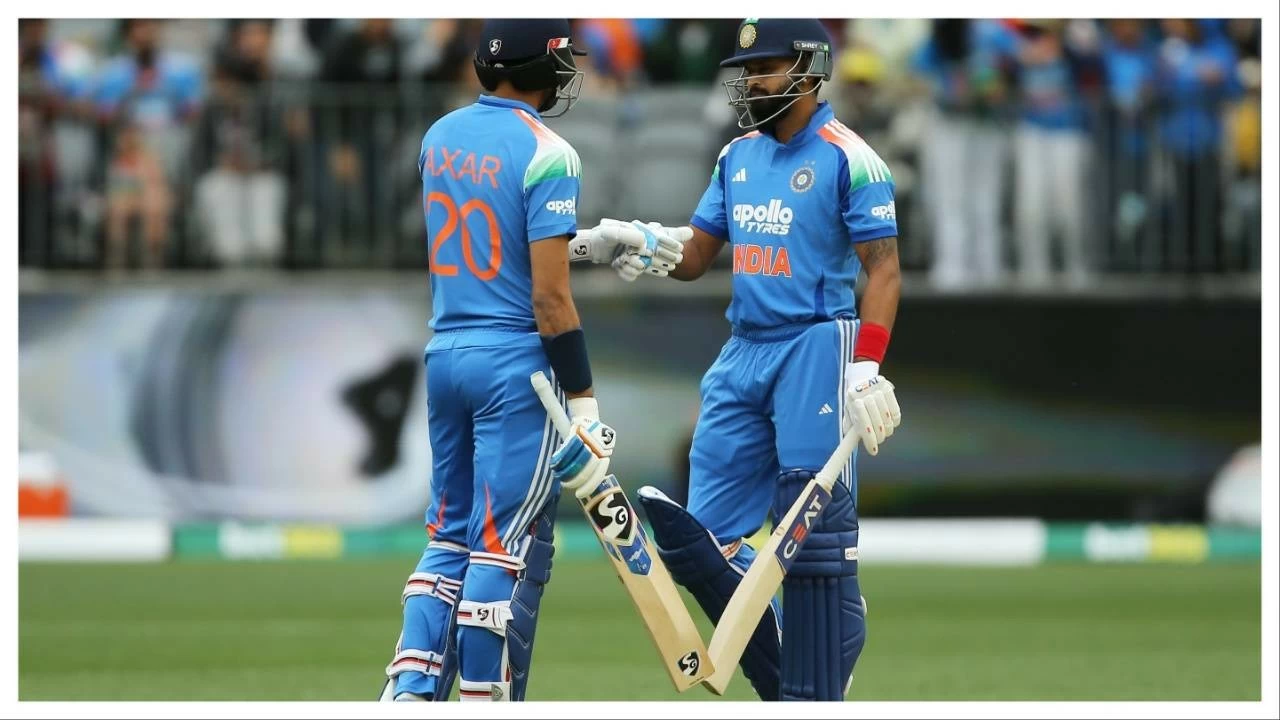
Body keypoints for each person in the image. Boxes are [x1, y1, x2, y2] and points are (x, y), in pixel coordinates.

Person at [377, 19, 682, 702]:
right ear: (538, 69)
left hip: (446, 352)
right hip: (514, 366)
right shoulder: (552, 152)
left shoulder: (438, 137)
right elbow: (548, 297)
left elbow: (496, 239)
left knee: (446, 537)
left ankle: (411, 689)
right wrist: (585, 405)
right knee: (499, 544)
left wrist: (589, 240)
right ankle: (483, 698)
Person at [621, 19, 905, 701]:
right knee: (700, 542)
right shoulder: (737, 156)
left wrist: (865, 366)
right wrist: (640, 243)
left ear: (808, 70)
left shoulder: (849, 158)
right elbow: (696, 255)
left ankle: (826, 639)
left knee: (811, 533)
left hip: (816, 344)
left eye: (763, 69)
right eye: (745, 72)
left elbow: (885, 270)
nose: (750, 84)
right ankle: (791, 643)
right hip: (744, 347)